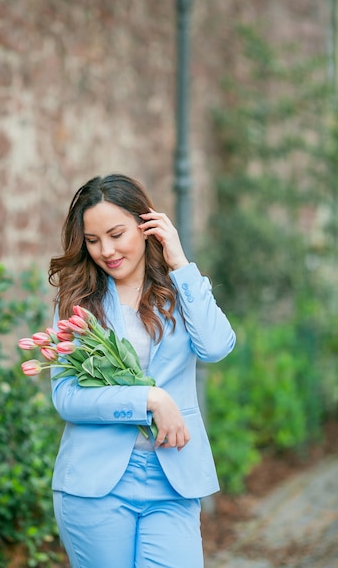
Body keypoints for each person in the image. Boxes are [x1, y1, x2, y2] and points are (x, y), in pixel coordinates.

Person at [48, 174, 236, 568]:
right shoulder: (80, 302)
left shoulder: (178, 290)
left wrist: (181, 263)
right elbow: (66, 397)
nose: (107, 250)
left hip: (173, 480)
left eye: (116, 234)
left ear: (145, 224)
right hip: (95, 485)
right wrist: (147, 399)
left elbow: (216, 346)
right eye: (93, 240)